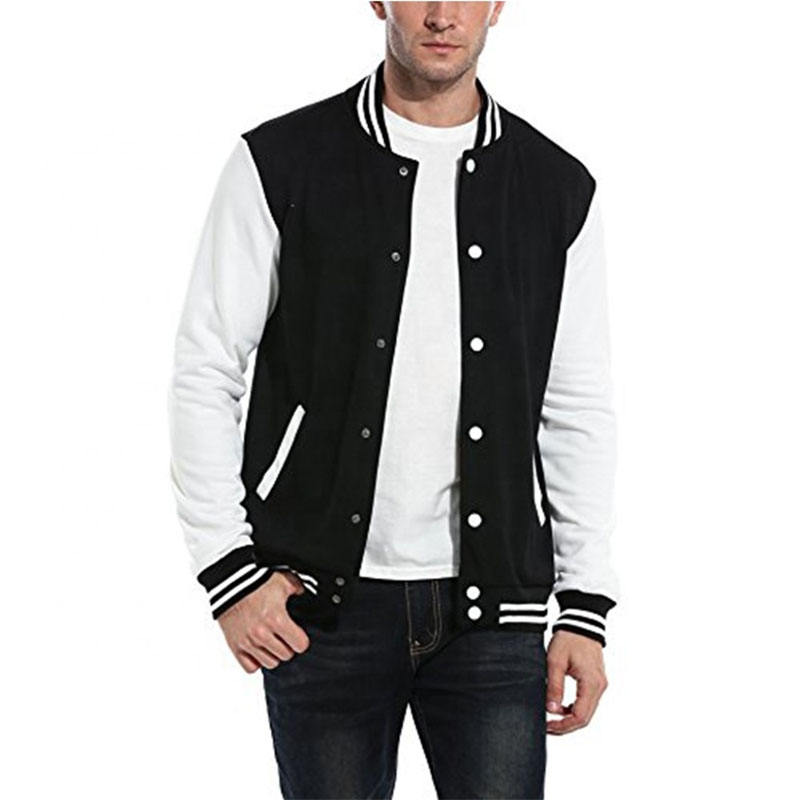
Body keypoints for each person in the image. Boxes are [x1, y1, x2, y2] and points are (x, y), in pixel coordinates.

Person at [168, 2, 620, 797]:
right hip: (317, 604)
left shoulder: (556, 188)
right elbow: (206, 367)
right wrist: (228, 570)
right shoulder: (281, 161)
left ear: (498, 6)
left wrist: (584, 604)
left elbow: (575, 406)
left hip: (495, 614)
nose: (442, 14)